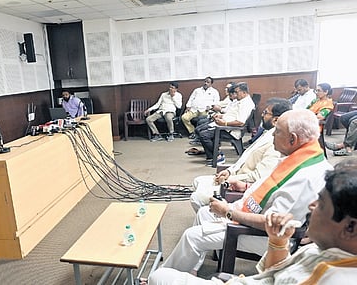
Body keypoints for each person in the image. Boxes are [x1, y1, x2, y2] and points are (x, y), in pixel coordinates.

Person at [156, 109, 332, 276]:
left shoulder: (304, 177)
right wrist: (245, 188)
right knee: (204, 212)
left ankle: (165, 277)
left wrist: (228, 212)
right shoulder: (304, 158)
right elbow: (273, 189)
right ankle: (190, 268)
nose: (272, 134)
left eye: (277, 131)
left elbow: (271, 224)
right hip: (255, 216)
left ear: (293, 139)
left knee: (191, 236)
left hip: (267, 237)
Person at [147, 159, 357, 285]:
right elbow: (274, 275)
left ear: (350, 227)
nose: (311, 207)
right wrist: (277, 243)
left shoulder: (336, 278)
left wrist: (230, 213)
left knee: (160, 277)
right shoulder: (326, 248)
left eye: (320, 204)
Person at [189, 98, 292, 214]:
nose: (262, 116)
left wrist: (230, 179)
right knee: (197, 181)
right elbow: (245, 158)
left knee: (196, 197)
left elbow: (258, 177)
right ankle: (210, 215)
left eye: (265, 113)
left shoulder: (276, 144)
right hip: (234, 175)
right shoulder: (267, 133)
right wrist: (229, 171)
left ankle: (215, 218)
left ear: (276, 120)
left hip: (239, 185)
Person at [189, 82, 254, 166]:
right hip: (225, 126)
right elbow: (232, 114)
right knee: (201, 130)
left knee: (204, 135)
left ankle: (218, 156)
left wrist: (225, 123)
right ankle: (212, 155)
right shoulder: (240, 100)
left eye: (237, 92)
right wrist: (221, 116)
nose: (235, 94)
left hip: (231, 130)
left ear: (244, 92)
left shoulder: (246, 104)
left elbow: (240, 122)